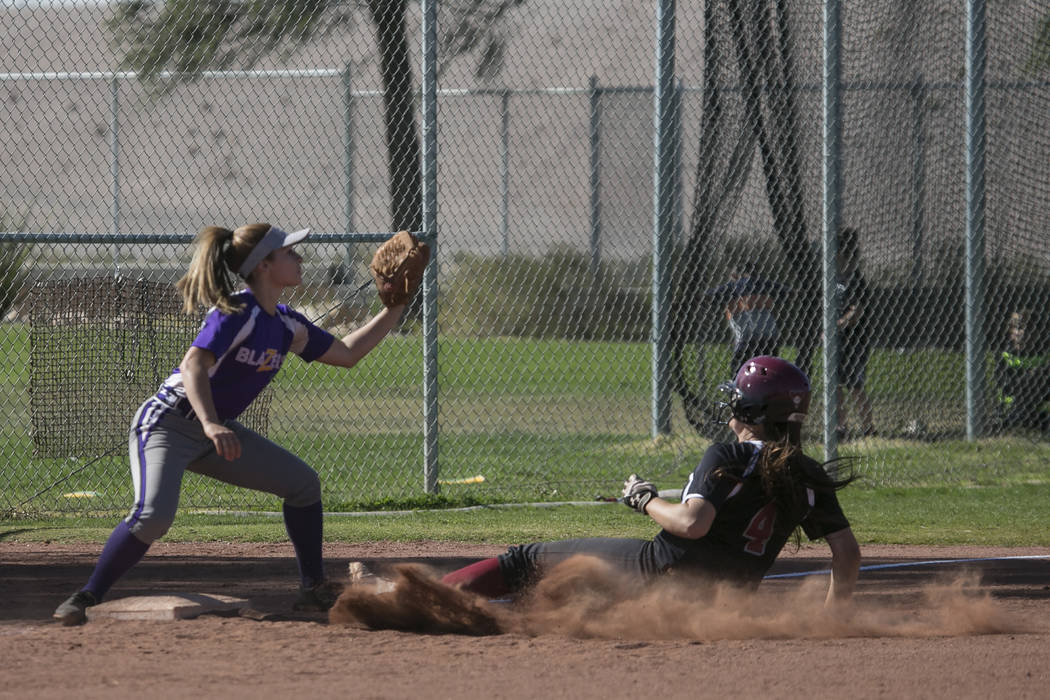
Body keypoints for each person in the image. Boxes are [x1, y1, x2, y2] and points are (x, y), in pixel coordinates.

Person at [53, 223, 413, 625]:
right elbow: (193, 365)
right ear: (263, 266)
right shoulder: (237, 312)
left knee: (303, 486)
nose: (299, 259)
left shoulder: (286, 324)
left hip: (215, 431)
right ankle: (87, 595)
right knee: (153, 516)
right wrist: (209, 423)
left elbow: (347, 353)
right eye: (289, 253)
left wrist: (394, 306)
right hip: (169, 423)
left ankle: (312, 588)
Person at [438, 356, 861, 606]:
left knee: (525, 559)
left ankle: (435, 597)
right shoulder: (807, 474)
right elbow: (847, 553)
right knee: (578, 597)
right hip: (725, 604)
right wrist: (832, 616)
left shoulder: (729, 455)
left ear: (750, 411)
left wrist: (644, 499)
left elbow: (692, 523)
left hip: (659, 572)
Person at [707, 267, 789, 376]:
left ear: (735, 276)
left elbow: (709, 296)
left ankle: (738, 388)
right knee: (767, 373)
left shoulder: (731, 287)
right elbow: (787, 291)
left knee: (739, 373)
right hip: (769, 338)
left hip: (745, 340)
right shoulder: (765, 284)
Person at [834, 227, 875, 440]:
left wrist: (837, 325)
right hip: (838, 341)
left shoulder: (855, 279)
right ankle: (841, 427)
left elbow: (856, 311)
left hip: (855, 341)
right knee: (836, 384)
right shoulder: (834, 279)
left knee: (855, 385)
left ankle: (868, 427)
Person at [995, 309, 1050, 431]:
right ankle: (1018, 417)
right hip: (1012, 408)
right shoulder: (1006, 354)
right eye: (1017, 328)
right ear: (1010, 332)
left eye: (1026, 329)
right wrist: (1031, 376)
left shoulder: (1044, 354)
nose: (1021, 333)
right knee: (1038, 374)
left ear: (1037, 332)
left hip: (1040, 411)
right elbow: (1006, 385)